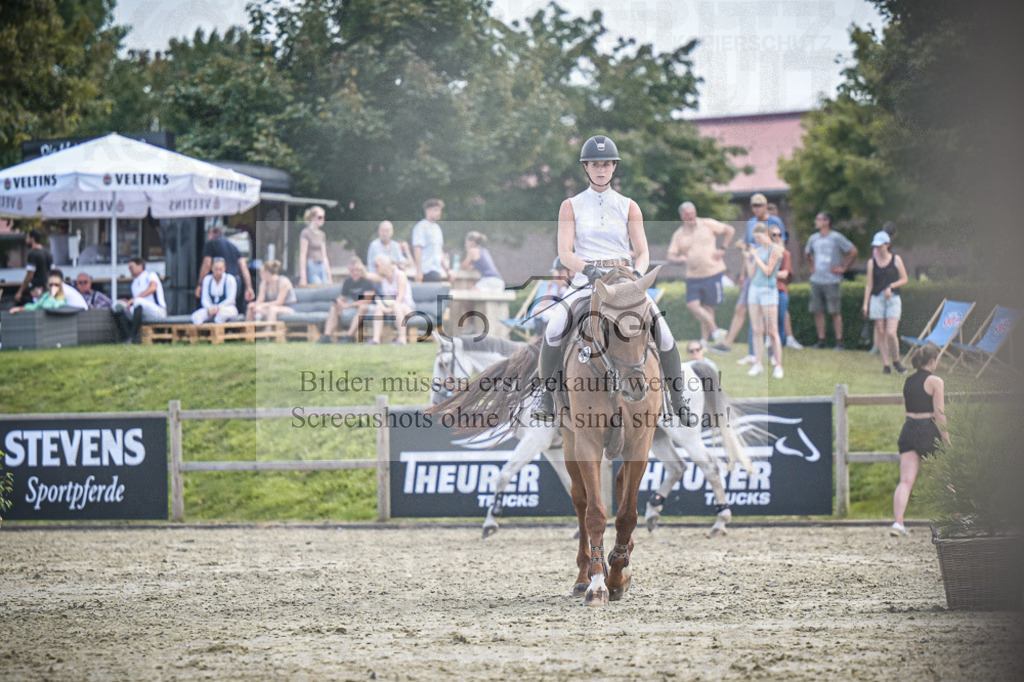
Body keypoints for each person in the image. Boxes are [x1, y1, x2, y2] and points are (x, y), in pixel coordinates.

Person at [531, 134, 688, 423]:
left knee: (664, 332)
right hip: (588, 281)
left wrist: (637, 276)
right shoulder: (571, 205)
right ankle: (545, 397)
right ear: (586, 168)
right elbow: (564, 253)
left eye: (606, 164)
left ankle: (677, 398)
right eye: (594, 164)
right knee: (554, 329)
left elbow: (642, 252)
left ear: (614, 167)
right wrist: (588, 270)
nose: (600, 169)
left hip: (626, 281)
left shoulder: (629, 206)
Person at [710, 193, 785, 361]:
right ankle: (727, 345)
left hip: (766, 272)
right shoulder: (751, 222)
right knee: (741, 308)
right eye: (754, 205)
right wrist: (743, 272)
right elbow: (748, 246)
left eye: (759, 205)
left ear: (766, 205)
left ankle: (770, 351)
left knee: (766, 317)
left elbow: (780, 245)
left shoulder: (775, 221)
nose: (756, 208)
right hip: (752, 270)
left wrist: (776, 267)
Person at [891, 343, 949, 536]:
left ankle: (898, 522)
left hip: (908, 428)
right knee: (946, 478)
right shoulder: (935, 381)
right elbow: (939, 414)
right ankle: (960, 518)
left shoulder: (908, 381)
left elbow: (907, 408)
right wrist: (946, 439)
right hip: (927, 429)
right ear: (933, 361)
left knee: (905, 481)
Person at [666, 201, 733, 346]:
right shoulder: (679, 234)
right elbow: (670, 255)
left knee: (708, 307)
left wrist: (722, 248)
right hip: (693, 275)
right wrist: (679, 258)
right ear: (682, 216)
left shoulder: (707, 223)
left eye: (692, 213)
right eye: (687, 215)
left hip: (712, 272)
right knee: (693, 305)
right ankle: (715, 331)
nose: (691, 217)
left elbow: (730, 230)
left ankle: (704, 340)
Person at [805, 211, 858, 349]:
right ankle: (821, 341)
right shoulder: (813, 238)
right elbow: (807, 253)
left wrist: (844, 268)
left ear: (826, 222)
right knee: (817, 311)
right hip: (816, 279)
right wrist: (812, 266)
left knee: (834, 312)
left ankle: (839, 342)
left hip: (832, 280)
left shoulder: (836, 237)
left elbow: (853, 251)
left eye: (818, 219)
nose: (815, 221)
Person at [862, 230, 909, 374]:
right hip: (877, 299)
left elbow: (904, 279)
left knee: (890, 332)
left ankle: (896, 361)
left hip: (893, 299)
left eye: (880, 245)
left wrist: (891, 286)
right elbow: (869, 284)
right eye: (876, 246)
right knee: (881, 330)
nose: (877, 248)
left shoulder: (896, 259)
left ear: (887, 244)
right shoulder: (872, 263)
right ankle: (886, 364)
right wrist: (866, 303)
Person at [745, 223, 785, 378]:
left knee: (772, 331)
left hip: (768, 291)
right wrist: (749, 258)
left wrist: (755, 256)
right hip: (754, 290)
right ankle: (758, 363)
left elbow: (768, 271)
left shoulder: (775, 250)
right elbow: (751, 274)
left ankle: (778, 365)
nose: (757, 240)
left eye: (759, 236)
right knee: (756, 329)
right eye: (755, 237)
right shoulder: (759, 250)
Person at [319, 258, 380, 343]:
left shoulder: (367, 280)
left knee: (363, 307)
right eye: (352, 270)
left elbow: (367, 300)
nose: (355, 273)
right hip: (355, 306)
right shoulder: (348, 281)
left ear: (361, 270)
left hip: (371, 306)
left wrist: (348, 305)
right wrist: (338, 303)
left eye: (357, 270)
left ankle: (349, 336)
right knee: (333, 308)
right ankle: (327, 336)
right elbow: (342, 297)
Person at [194, 226, 255, 309]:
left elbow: (207, 264)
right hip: (236, 281)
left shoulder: (211, 244)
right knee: (230, 307)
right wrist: (249, 287)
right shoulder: (233, 246)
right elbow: (244, 267)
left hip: (221, 282)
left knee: (215, 307)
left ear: (211, 233)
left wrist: (200, 284)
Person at [114, 257, 167, 343]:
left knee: (138, 301)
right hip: (141, 312)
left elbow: (152, 288)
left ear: (140, 266)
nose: (130, 270)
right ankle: (127, 337)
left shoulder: (150, 275)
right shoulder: (134, 283)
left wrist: (134, 299)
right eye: (129, 268)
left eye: (132, 267)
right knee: (118, 306)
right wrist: (128, 303)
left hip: (158, 311)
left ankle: (133, 337)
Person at [367, 254, 414, 344]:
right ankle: (375, 339)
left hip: (407, 307)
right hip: (392, 307)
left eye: (376, 265)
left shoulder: (400, 274)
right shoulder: (383, 279)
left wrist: (389, 309)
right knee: (378, 307)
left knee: (396, 306)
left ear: (385, 265)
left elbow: (401, 296)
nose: (375, 268)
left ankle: (402, 339)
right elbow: (367, 275)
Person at [191, 257, 239, 325]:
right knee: (196, 316)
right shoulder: (207, 279)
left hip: (227, 308)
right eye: (216, 269)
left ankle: (217, 333)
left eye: (220, 269)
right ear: (212, 268)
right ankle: (201, 334)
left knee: (221, 315)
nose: (218, 272)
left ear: (224, 269)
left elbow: (230, 299)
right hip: (210, 309)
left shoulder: (230, 279)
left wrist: (218, 308)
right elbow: (204, 299)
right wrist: (210, 308)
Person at [411, 199, 449, 283]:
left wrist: (447, 270)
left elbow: (439, 250)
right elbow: (417, 249)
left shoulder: (437, 228)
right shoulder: (421, 227)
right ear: (428, 211)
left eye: (439, 210)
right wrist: (419, 271)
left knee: (441, 294)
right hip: (426, 270)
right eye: (435, 210)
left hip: (437, 270)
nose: (438, 212)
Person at [13, 229, 53, 305]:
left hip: (35, 289)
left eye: (27, 237)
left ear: (32, 238)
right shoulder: (48, 254)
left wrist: (20, 292)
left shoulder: (33, 255)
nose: (26, 240)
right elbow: (52, 272)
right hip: (46, 289)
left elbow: (30, 275)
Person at [298, 206, 332, 285]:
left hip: (322, 266)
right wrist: (303, 277)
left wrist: (329, 276)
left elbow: (324, 255)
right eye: (320, 217)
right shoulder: (305, 233)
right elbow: (303, 255)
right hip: (312, 266)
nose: (322, 219)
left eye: (323, 217)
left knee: (326, 288)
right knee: (317, 287)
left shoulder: (322, 234)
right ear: (313, 218)